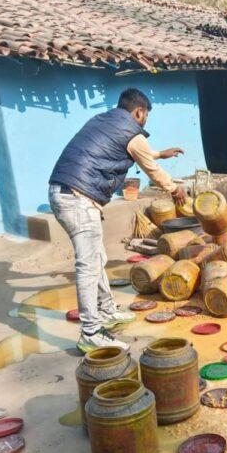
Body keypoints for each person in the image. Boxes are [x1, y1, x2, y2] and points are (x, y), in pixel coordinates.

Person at [49, 88, 186, 353]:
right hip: (78, 198)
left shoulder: (104, 120)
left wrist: (160, 153)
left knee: (97, 258)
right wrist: (174, 189)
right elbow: (151, 169)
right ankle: (90, 332)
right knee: (88, 265)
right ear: (139, 112)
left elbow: (138, 152)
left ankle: (107, 310)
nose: (145, 121)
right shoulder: (132, 132)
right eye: (146, 116)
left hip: (64, 191)